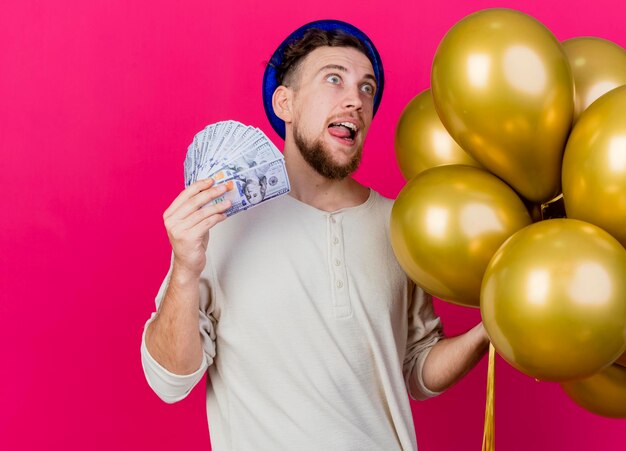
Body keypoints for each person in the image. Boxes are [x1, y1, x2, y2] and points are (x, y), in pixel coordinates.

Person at [141, 20, 490, 450]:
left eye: (367, 88)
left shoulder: (401, 223)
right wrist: (184, 270)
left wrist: (488, 331)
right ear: (285, 103)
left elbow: (417, 369)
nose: (355, 100)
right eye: (333, 79)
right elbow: (170, 381)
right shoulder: (223, 222)